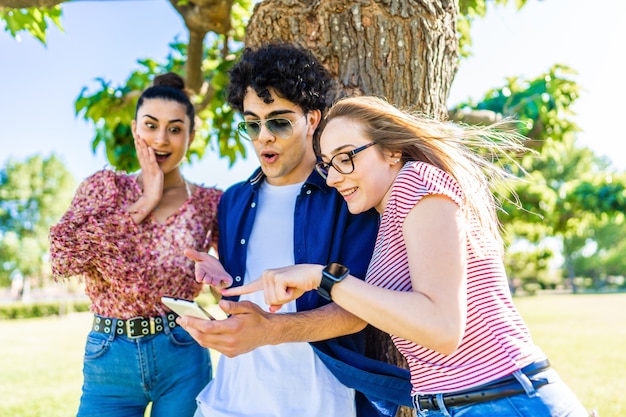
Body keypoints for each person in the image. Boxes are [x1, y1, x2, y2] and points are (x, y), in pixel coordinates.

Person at [225, 95, 590, 417]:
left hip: (501, 400)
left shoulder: (417, 182)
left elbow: (442, 328)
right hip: (459, 403)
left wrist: (323, 279)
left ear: (392, 151)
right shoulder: (386, 215)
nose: (334, 178)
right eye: (327, 164)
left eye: (346, 158)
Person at [178, 43, 411, 417]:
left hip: (322, 404)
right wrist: (220, 279)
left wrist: (272, 330)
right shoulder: (233, 200)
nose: (263, 137)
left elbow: (363, 309)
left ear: (313, 120)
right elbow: (249, 293)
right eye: (252, 123)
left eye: (279, 121)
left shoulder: (348, 195)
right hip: (229, 401)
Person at [49, 72, 222, 417]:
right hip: (110, 358)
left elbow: (228, 290)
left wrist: (221, 280)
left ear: (191, 135)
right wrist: (145, 202)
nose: (161, 139)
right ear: (134, 128)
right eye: (151, 125)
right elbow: (62, 257)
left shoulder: (210, 203)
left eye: (175, 128)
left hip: (183, 354)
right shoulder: (105, 187)